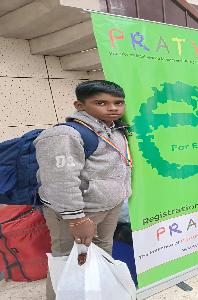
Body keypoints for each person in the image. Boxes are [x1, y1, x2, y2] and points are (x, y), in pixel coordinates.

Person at [34, 80, 132, 300]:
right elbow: (59, 181)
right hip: (79, 212)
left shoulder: (115, 129)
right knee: (69, 260)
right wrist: (76, 218)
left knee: (102, 253)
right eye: (101, 102)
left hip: (108, 206)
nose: (113, 108)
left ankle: (99, 294)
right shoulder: (65, 135)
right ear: (79, 105)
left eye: (119, 102)